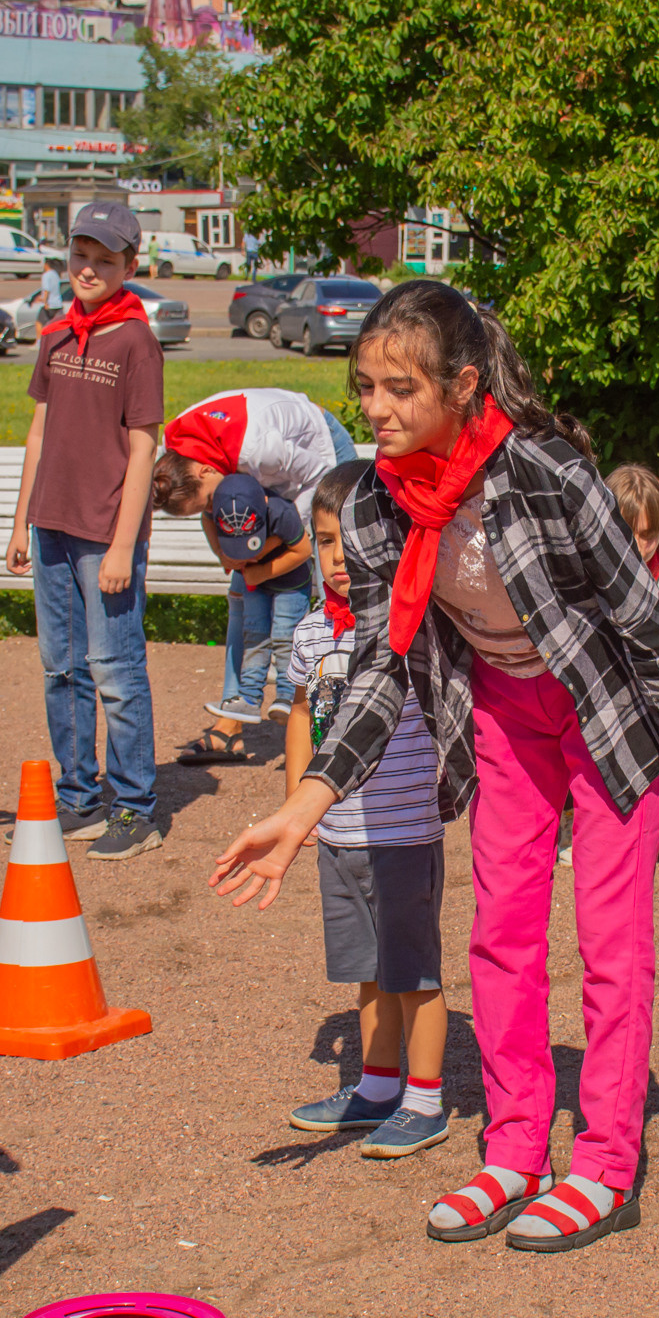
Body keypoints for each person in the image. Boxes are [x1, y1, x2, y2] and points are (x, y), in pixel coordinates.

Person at [211, 281, 659, 1252]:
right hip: (502, 714)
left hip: (603, 712)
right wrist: (306, 803)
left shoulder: (542, 475)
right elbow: (376, 667)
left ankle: (606, 1161)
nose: (375, 409)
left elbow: (643, 619)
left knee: (610, 946)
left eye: (400, 388)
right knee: (500, 933)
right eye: (364, 386)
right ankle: (514, 1146)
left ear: (461, 385)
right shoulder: (370, 507)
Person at [279, 460, 451, 1159]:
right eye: (324, 542)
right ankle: (376, 1087)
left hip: (404, 831)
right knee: (368, 971)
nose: (338, 559)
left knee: (414, 973)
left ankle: (426, 1100)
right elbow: (298, 712)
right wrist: (299, 803)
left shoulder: (414, 627)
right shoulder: (312, 632)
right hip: (337, 832)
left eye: (351, 544)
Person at [5, 201, 165, 862]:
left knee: (116, 670)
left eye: (106, 258)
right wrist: (22, 521)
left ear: (130, 265)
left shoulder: (136, 341)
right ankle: (77, 799)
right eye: (81, 255)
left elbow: (143, 446)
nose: (90, 268)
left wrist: (124, 545)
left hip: (106, 536)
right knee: (60, 669)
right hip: (51, 530)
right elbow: (40, 430)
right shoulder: (55, 335)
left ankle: (137, 808)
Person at [153, 385, 362, 761]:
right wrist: (233, 559)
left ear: (205, 470)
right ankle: (236, 713)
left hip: (318, 455)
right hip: (265, 478)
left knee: (332, 582)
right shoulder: (181, 450)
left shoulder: (256, 449)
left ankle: (327, 716)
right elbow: (211, 515)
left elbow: (315, 487)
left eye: (207, 501)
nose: (211, 512)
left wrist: (261, 552)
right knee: (242, 593)